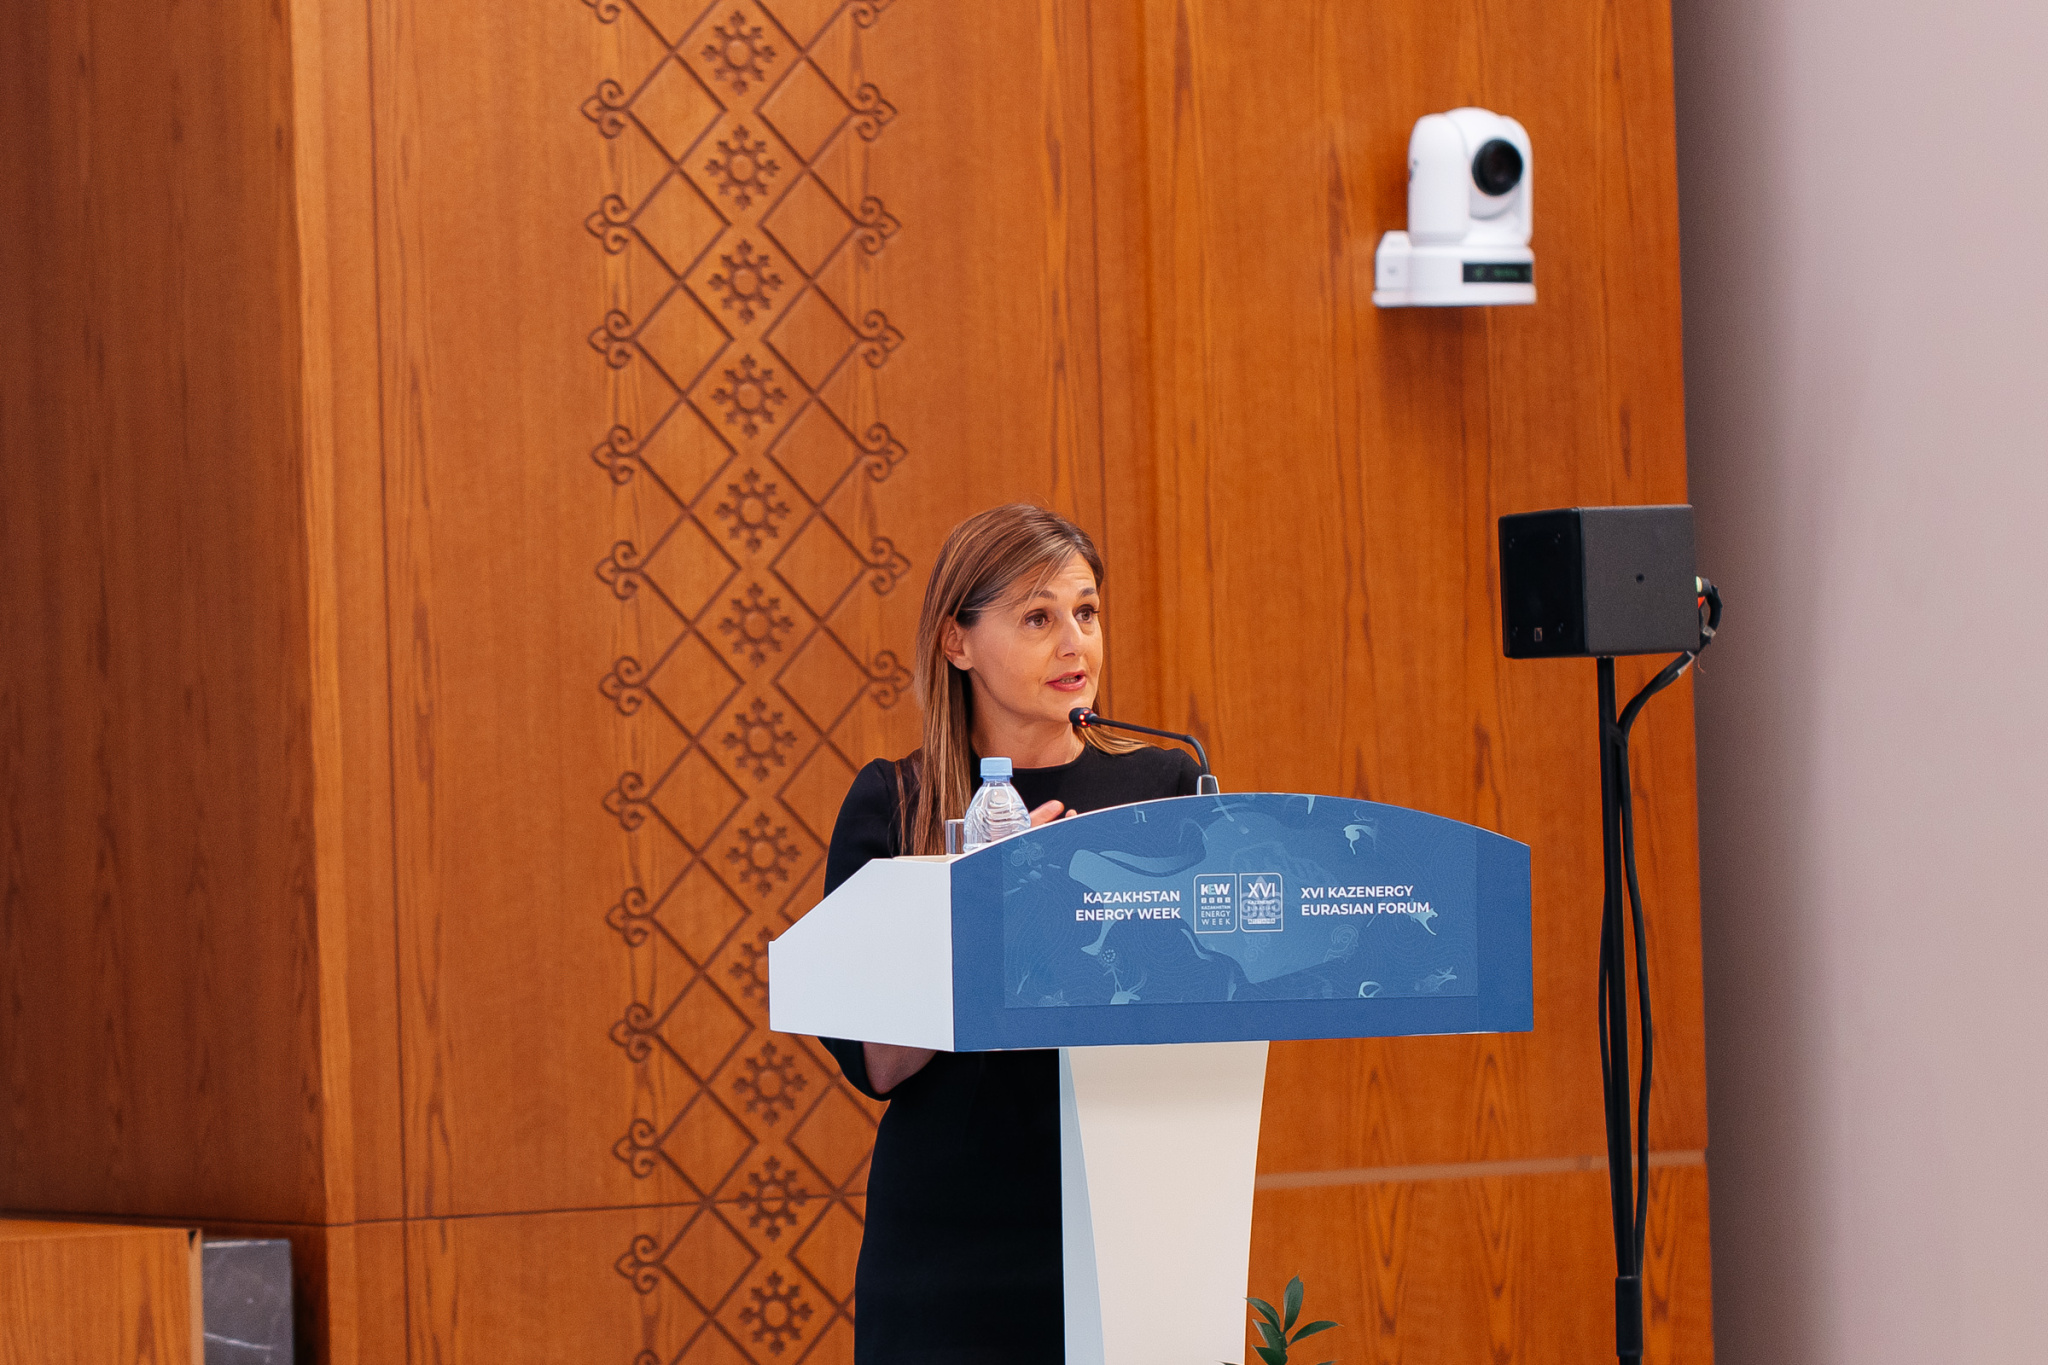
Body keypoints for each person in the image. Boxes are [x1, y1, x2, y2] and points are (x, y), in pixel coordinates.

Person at [819, 504, 1203, 1364]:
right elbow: (878, 1063)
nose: (1075, 643)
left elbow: (1208, 991)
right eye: (1037, 617)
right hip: (954, 1245)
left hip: (1134, 1215)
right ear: (957, 640)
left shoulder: (1166, 786)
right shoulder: (897, 804)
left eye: (1086, 612)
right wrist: (987, 903)